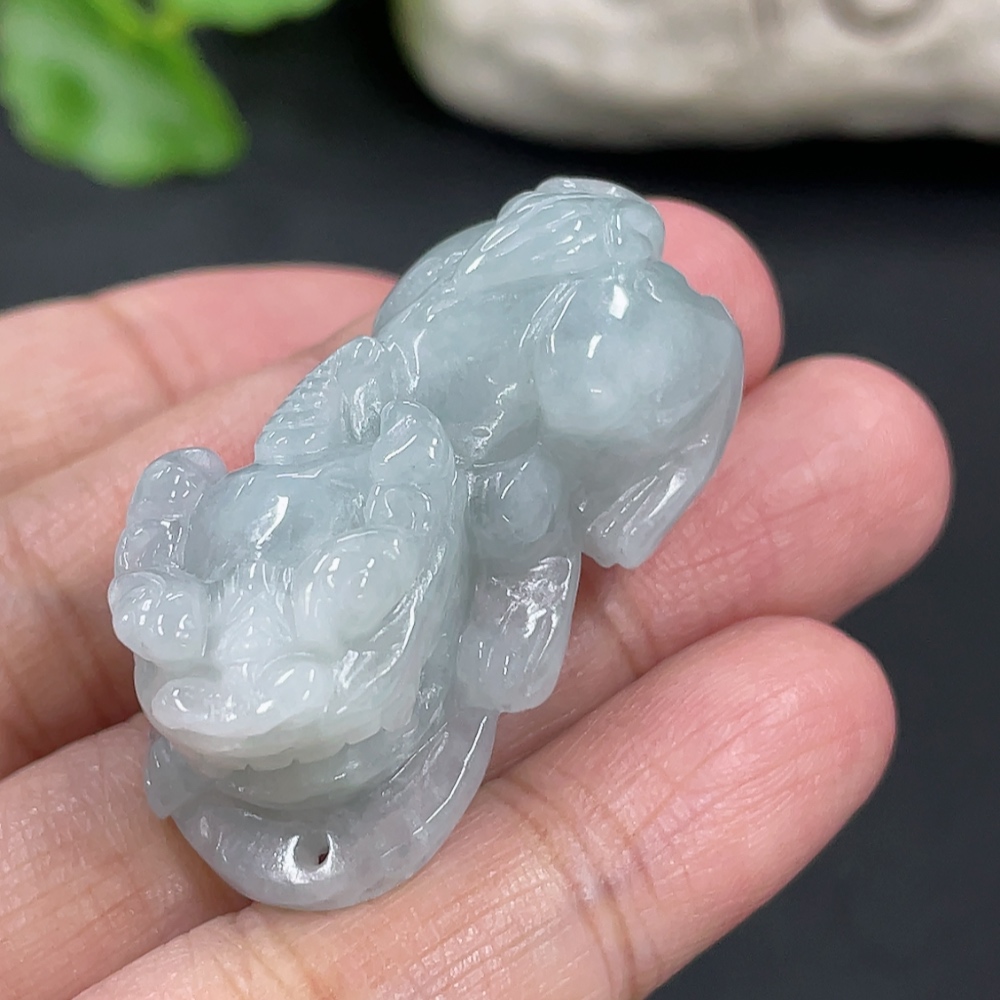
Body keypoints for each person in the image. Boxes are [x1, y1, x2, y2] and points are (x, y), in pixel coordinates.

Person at [0, 198, 950, 1000]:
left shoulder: (514, 501)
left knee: (358, 606)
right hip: (319, 552)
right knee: (254, 531)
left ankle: (278, 685)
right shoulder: (397, 374)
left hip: (365, 628)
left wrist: (475, 581)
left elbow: (508, 655)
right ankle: (253, 686)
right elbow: (314, 439)